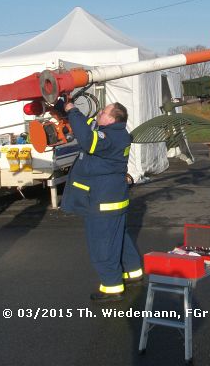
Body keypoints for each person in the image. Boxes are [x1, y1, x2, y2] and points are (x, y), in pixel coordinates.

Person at [60, 101, 142, 302]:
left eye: (103, 112)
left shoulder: (109, 136)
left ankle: (112, 288)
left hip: (102, 203)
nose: (99, 114)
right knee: (119, 238)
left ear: (112, 118)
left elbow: (88, 139)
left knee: (102, 244)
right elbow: (88, 126)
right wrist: (66, 109)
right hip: (114, 201)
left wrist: (73, 111)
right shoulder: (116, 133)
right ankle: (133, 272)